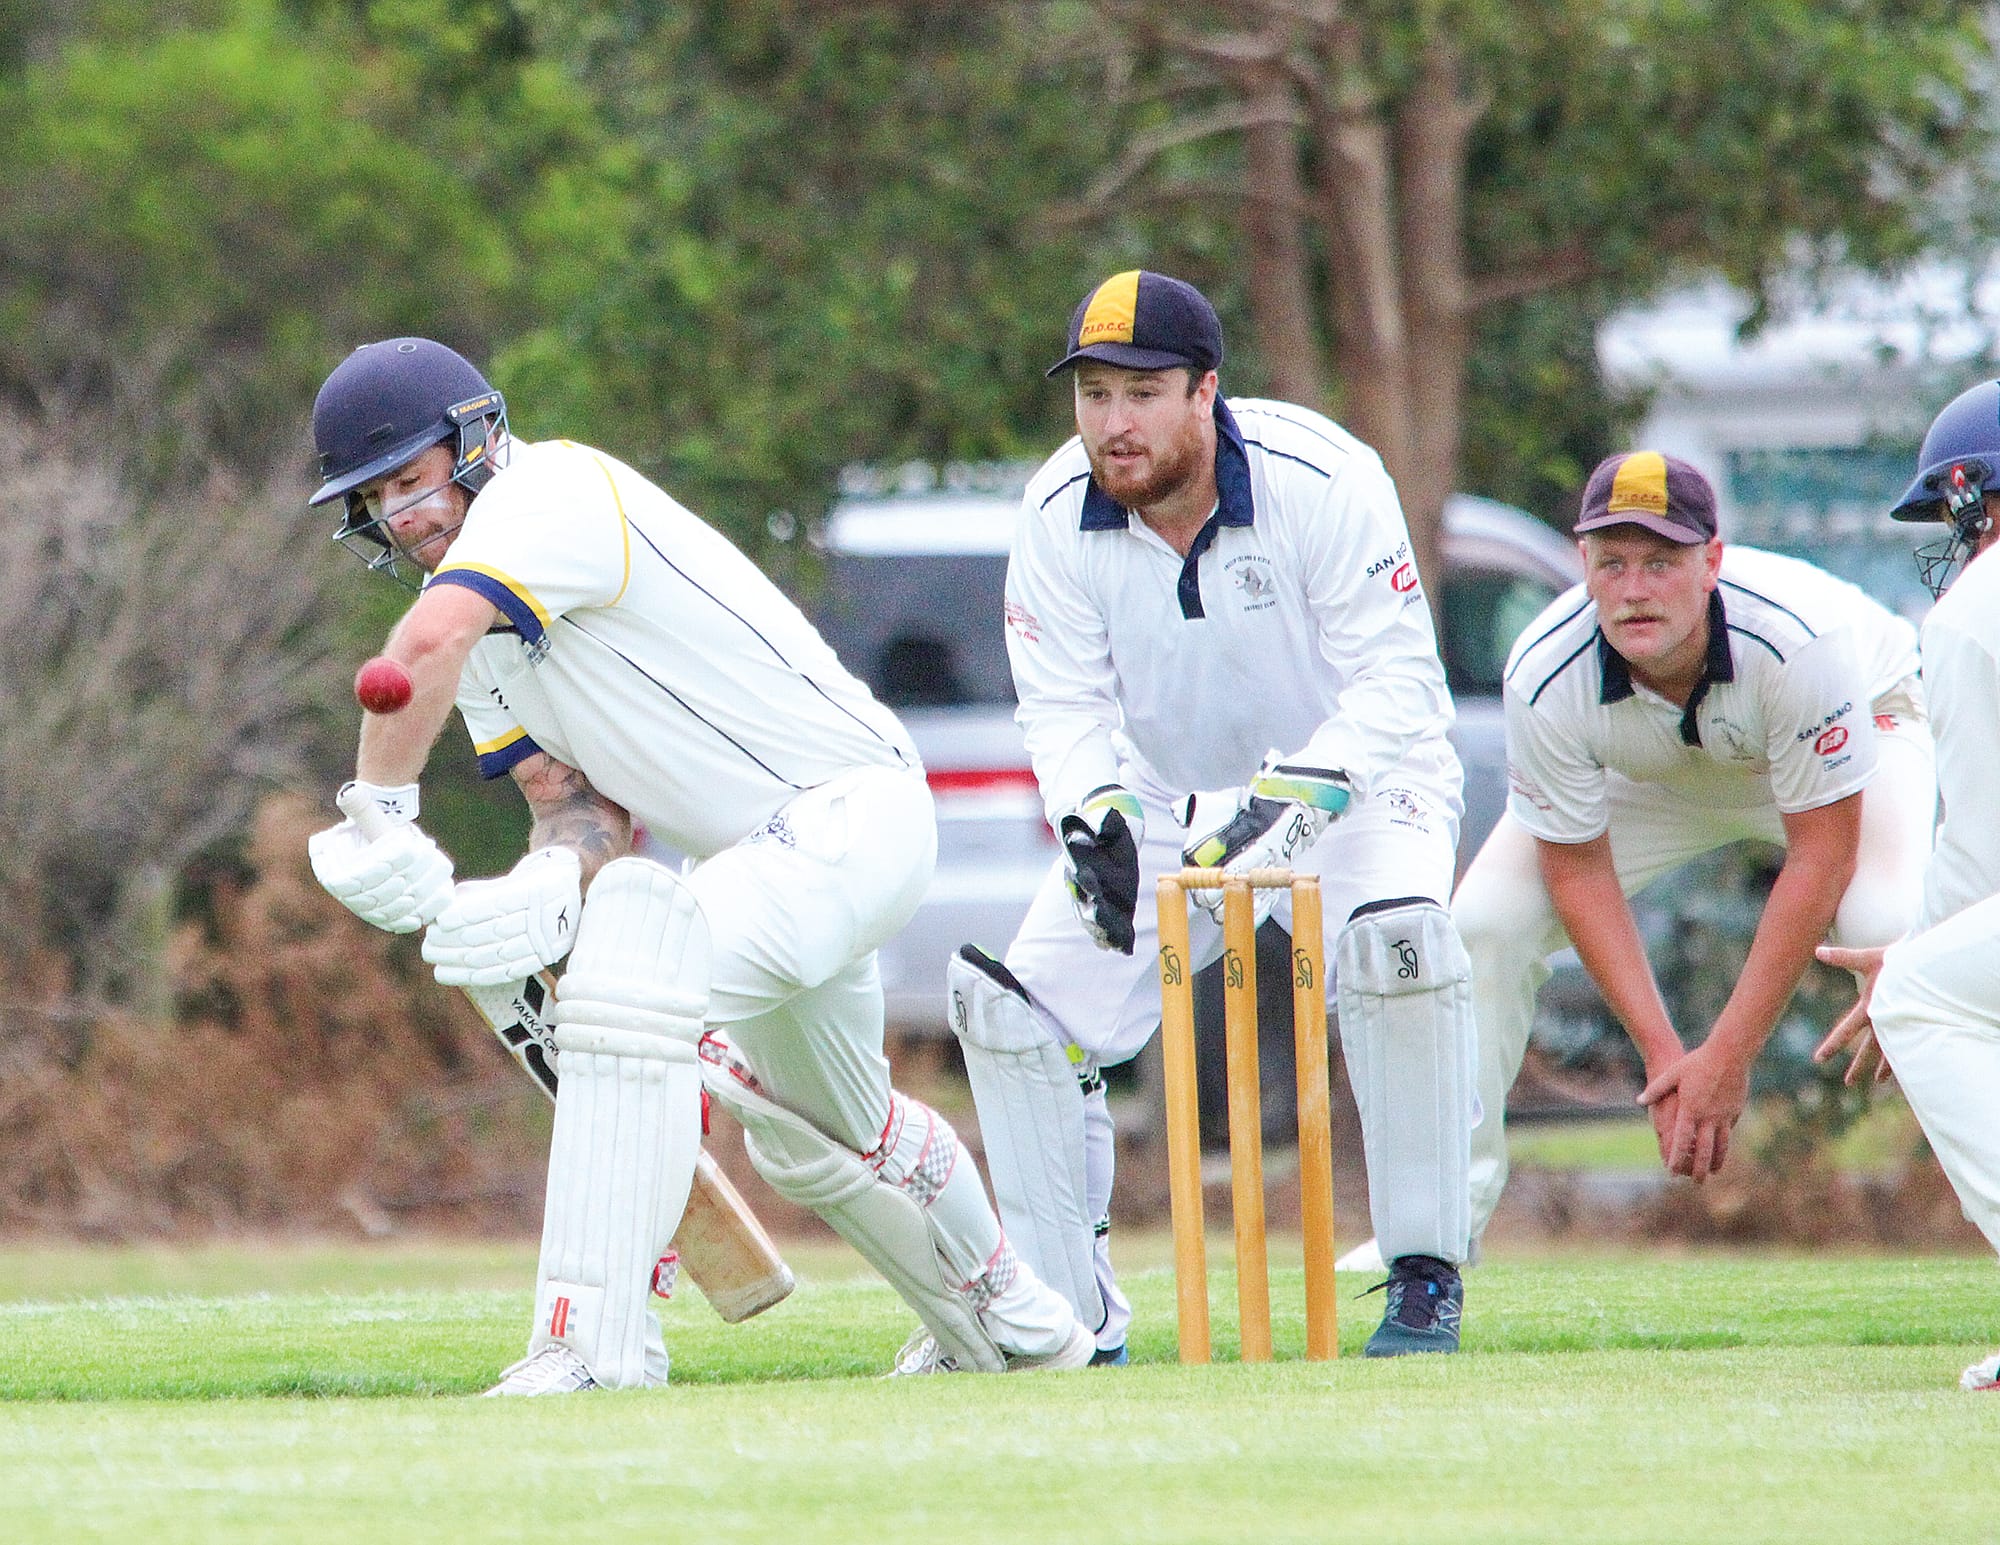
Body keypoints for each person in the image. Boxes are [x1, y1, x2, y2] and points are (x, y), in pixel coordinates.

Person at [303, 337, 1093, 1393]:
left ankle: (595, 1344)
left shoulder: (549, 495)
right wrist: (540, 892)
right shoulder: (485, 623)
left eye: (413, 480)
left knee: (624, 1003)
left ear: (477, 438)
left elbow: (418, 651)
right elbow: (576, 813)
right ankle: (1015, 1324)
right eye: (378, 499)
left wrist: (382, 813)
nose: (405, 516)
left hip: (849, 813)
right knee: (822, 1136)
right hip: (768, 861)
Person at [945, 269, 1479, 1360]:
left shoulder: (1322, 478)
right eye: (1092, 394)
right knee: (1010, 1009)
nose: (1113, 423)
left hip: (1359, 777)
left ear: (1204, 393)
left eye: (1140, 393)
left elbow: (1395, 688)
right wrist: (1089, 814)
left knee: (1400, 951)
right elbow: (1060, 702)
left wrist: (1292, 807)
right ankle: (1066, 1319)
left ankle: (1422, 1274)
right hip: (1163, 796)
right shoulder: (1055, 511)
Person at [1449, 450, 1933, 1242]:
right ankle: (1442, 1235)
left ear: (1712, 561)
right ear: (1583, 565)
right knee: (1483, 921)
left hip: (1860, 726)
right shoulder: (1545, 668)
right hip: (1659, 773)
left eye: (1661, 562)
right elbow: (1575, 866)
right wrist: (1665, 1054)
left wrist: (1727, 1059)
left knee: (1890, 923)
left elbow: (1822, 855)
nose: (1635, 589)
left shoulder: (1796, 641)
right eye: (1613, 563)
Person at [1814, 378, 2000, 1390]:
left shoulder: (1977, 603)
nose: (1951, 537)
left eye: (1952, 512)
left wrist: (1908, 961)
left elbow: (1979, 847)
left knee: (1921, 996)